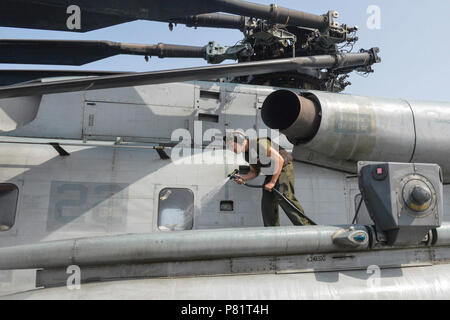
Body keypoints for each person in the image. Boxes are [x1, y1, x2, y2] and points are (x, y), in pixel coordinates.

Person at [225, 131, 312, 227]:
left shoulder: (259, 144)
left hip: (283, 168)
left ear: (241, 141)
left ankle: (305, 226)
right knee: (267, 204)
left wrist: (272, 182)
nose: (231, 149)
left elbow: (280, 160)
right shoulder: (247, 155)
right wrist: (243, 178)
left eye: (232, 145)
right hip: (271, 173)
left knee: (284, 197)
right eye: (229, 147)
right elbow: (254, 172)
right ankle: (273, 232)